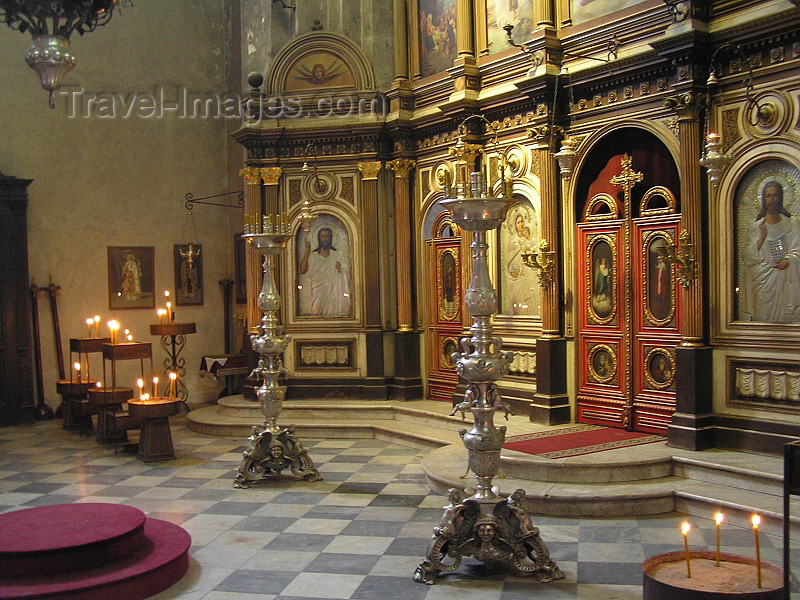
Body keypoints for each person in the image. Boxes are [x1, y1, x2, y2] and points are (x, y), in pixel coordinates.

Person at [741, 181, 800, 323]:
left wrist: (789, 260)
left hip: (784, 279)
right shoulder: (757, 226)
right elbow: (747, 257)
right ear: (763, 198)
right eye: (768, 196)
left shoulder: (791, 223)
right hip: (763, 282)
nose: (772, 200)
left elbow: (797, 249)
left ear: (781, 197)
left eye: (775, 195)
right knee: (762, 317)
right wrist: (761, 238)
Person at [299, 227, 351, 317]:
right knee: (317, 310)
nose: (325, 239)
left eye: (327, 236)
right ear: (319, 238)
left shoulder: (337, 254)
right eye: (323, 237)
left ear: (331, 238)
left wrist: (341, 269)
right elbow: (303, 270)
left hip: (334, 292)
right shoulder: (313, 256)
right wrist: (307, 251)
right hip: (318, 291)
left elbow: (347, 270)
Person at [503, 210, 537, 315]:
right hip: (516, 276)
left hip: (527, 272)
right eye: (518, 222)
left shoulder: (528, 238)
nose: (521, 224)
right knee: (518, 299)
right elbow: (507, 259)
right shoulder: (512, 240)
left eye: (522, 221)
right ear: (514, 225)